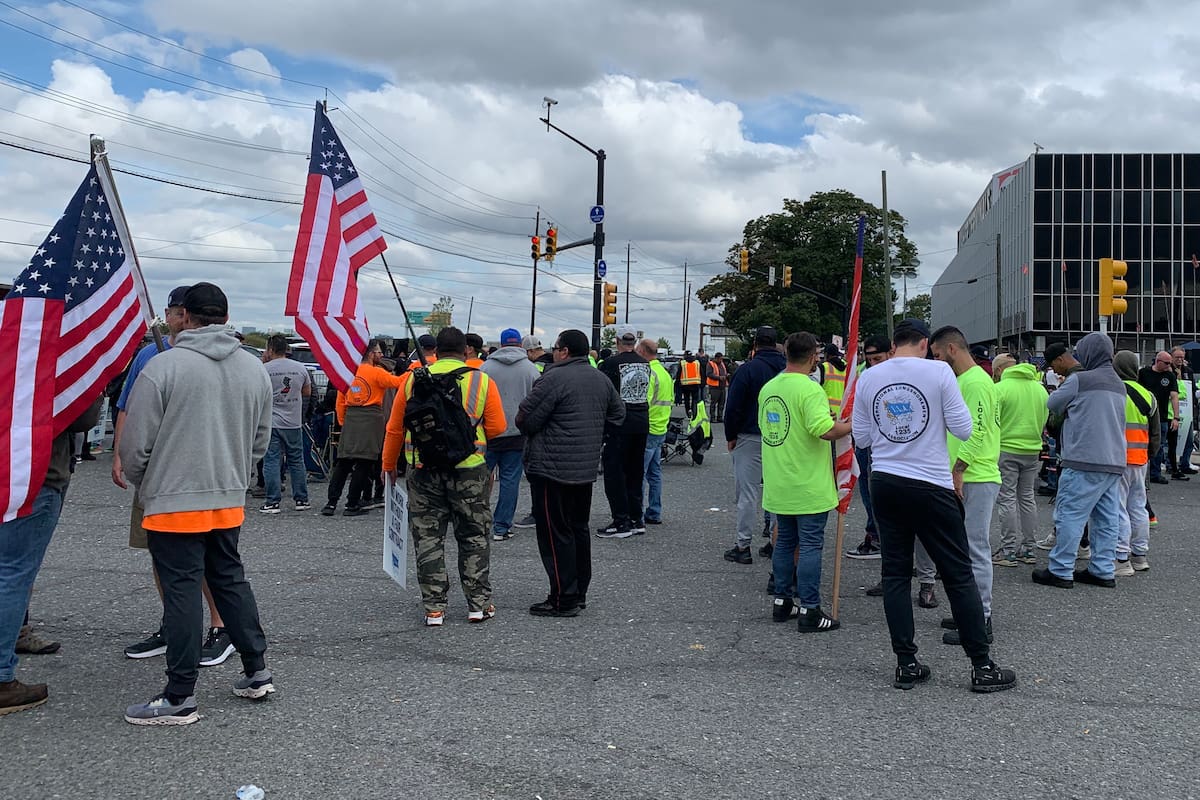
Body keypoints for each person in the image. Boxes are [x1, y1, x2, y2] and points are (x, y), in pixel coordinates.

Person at [120, 282, 275, 725]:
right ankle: (256, 670)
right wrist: (235, 476)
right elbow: (259, 441)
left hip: (172, 499)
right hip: (227, 497)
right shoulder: (253, 370)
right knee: (229, 579)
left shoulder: (164, 367)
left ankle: (179, 695)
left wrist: (147, 483)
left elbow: (135, 445)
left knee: (182, 590)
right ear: (226, 317)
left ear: (185, 316)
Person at [852, 318, 1016, 693]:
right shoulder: (940, 373)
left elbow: (861, 436)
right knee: (958, 573)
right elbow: (963, 428)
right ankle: (981, 665)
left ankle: (906, 663)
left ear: (895, 345)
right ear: (925, 343)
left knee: (895, 574)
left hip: (886, 480)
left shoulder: (870, 377)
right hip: (930, 482)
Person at [115, 287, 234, 667]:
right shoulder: (150, 355)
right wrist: (121, 455)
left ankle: (220, 626)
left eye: (178, 311)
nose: (173, 317)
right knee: (159, 552)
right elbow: (127, 406)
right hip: (154, 472)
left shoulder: (213, 357)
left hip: (197, 471)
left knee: (205, 557)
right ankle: (175, 625)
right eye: (169, 310)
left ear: (188, 315)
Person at [381, 327, 506, 627]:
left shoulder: (413, 379)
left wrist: (388, 465)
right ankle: (478, 604)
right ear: (466, 351)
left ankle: (434, 608)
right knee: (473, 535)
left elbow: (395, 428)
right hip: (469, 470)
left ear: (435, 350)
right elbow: (499, 427)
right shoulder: (481, 381)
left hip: (423, 470)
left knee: (428, 538)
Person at [0, 393, 102, 716]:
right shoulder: (48, 357)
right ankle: (2, 677)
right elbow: (84, 417)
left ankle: (14, 639)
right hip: (37, 473)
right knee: (14, 574)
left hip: (14, 468)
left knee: (9, 572)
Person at [516, 329, 624, 616]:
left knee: (554, 533)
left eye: (556, 348)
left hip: (552, 467)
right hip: (584, 468)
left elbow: (525, 418)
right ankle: (578, 592)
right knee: (578, 529)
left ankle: (563, 597)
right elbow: (618, 415)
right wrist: (592, 435)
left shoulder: (553, 378)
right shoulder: (600, 379)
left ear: (564, 351)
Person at [761, 332, 853, 632]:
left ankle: (782, 600)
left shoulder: (769, 388)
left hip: (779, 479)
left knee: (785, 542)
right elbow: (824, 430)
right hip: (807, 482)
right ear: (814, 356)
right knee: (811, 545)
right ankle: (810, 609)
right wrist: (851, 425)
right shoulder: (810, 389)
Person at [1032, 332, 1127, 590]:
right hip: (1115, 460)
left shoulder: (1081, 380)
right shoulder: (1119, 383)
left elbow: (1053, 402)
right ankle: (1103, 570)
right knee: (1107, 518)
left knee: (1070, 514)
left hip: (1083, 459)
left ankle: (1061, 569)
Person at [929, 327, 1003, 647]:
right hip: (971, 474)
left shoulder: (973, 382)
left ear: (951, 349)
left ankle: (980, 618)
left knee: (974, 548)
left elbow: (977, 428)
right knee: (965, 548)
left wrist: (959, 469)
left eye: (936, 354)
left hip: (975, 475)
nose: (936, 360)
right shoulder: (968, 381)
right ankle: (970, 611)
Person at [722, 326, 785, 565]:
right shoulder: (785, 370)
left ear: (755, 344)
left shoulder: (747, 370)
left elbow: (733, 407)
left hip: (749, 436)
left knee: (747, 494)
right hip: (779, 438)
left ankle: (743, 545)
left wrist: (731, 435)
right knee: (777, 493)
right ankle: (777, 541)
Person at [323, 340, 407, 517]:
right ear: (370, 354)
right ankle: (352, 504)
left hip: (351, 417)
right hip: (371, 417)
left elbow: (340, 400)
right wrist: (412, 371)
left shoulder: (348, 372)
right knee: (364, 462)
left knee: (343, 462)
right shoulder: (376, 372)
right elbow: (398, 382)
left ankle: (331, 503)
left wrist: (343, 420)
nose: (381, 355)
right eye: (378, 352)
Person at [480, 327, 541, 541]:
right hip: (517, 433)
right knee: (510, 480)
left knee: (480, 479)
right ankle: (501, 527)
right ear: (520, 344)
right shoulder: (531, 370)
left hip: (487, 432)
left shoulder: (485, 367)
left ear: (502, 343)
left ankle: (477, 524)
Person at [991, 353, 1049, 567]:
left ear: (998, 370)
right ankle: (1029, 548)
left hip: (1006, 448)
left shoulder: (999, 389)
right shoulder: (1040, 389)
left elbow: (992, 422)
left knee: (1006, 499)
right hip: (1032, 450)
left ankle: (1007, 550)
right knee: (1027, 498)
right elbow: (1045, 419)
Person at [596, 324, 651, 538]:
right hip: (641, 421)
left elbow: (603, 394)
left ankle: (621, 521)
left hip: (619, 424)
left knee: (615, 473)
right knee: (635, 471)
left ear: (617, 342)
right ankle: (637, 518)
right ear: (635, 342)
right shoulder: (646, 364)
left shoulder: (610, 364)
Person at [1113, 350, 1158, 576]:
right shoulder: (1148, 395)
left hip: (1117, 458)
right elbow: (1156, 433)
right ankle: (1140, 555)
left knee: (1118, 508)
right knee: (1138, 507)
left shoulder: (1115, 391)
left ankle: (1121, 557)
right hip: (1141, 460)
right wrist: (1149, 455)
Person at [260, 335, 312, 514]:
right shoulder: (300, 368)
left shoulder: (264, 369)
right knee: (296, 460)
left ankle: (272, 501)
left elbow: (257, 394)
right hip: (293, 421)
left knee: (272, 460)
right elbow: (307, 392)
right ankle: (301, 499)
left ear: (271, 349)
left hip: (271, 421)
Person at [636, 338, 674, 525]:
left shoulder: (649, 373)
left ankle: (638, 513)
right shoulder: (665, 373)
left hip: (648, 427)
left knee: (639, 473)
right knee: (655, 473)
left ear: (643, 351)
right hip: (661, 427)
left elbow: (644, 402)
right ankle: (654, 511)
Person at [1138, 350, 1181, 484]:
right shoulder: (1144, 373)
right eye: (1167, 363)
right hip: (1144, 414)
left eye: (1170, 363)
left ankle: (1155, 473)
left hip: (1161, 416)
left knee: (1159, 445)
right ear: (1158, 361)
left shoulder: (1170, 375)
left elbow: (1174, 396)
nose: (1169, 366)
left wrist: (1176, 417)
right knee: (1142, 444)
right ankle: (1142, 472)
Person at [1171, 347, 1196, 473]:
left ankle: (1185, 463)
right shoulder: (1168, 370)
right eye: (1177, 357)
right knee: (1171, 440)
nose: (1180, 360)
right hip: (1172, 410)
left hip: (1187, 410)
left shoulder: (1188, 371)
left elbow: (1191, 390)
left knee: (1189, 439)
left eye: (1182, 357)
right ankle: (1170, 464)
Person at [819, 344, 848, 416]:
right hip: (843, 412)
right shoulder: (847, 367)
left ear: (826, 354)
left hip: (827, 411)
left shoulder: (823, 367)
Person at [676, 351, 703, 416]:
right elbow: (701, 372)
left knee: (686, 399)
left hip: (685, 384)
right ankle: (694, 411)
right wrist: (702, 383)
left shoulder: (682, 363)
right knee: (695, 399)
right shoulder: (697, 362)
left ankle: (688, 412)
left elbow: (678, 374)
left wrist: (677, 383)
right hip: (695, 383)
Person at [706, 352, 729, 422]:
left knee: (722, 403)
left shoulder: (722, 364)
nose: (721, 360)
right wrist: (719, 377)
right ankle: (712, 417)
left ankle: (720, 417)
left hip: (722, 386)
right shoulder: (710, 364)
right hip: (714, 386)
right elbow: (709, 374)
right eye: (720, 359)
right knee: (713, 403)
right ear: (716, 358)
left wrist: (726, 376)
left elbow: (724, 372)